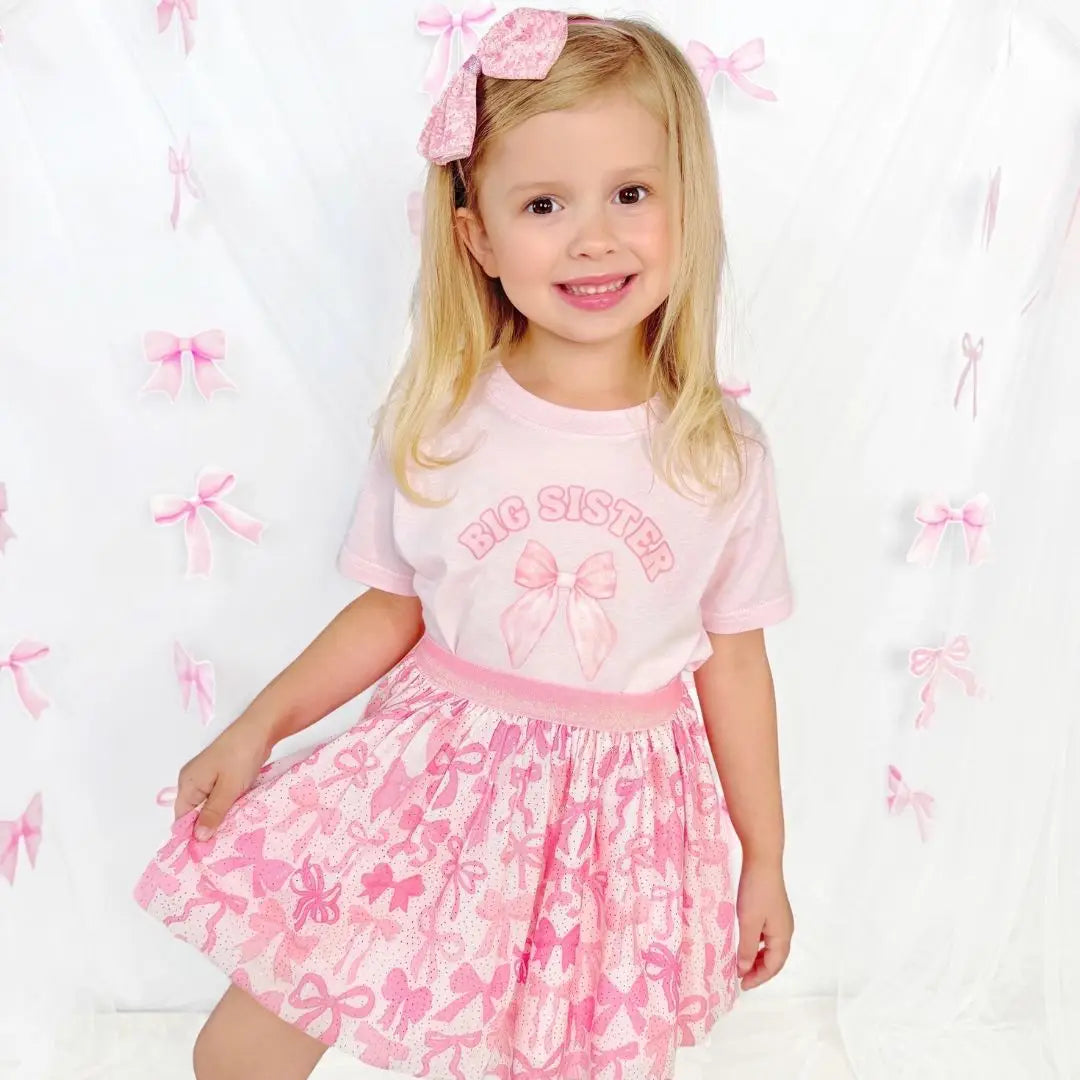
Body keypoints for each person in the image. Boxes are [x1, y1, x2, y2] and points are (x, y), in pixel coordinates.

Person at [132, 9, 796, 1079]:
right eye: (544, 204)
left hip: (611, 835)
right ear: (476, 236)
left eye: (632, 193)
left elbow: (737, 664)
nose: (594, 238)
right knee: (242, 1049)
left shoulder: (722, 457)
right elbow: (391, 609)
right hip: (431, 787)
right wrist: (258, 726)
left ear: (689, 201)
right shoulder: (442, 422)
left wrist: (764, 856)